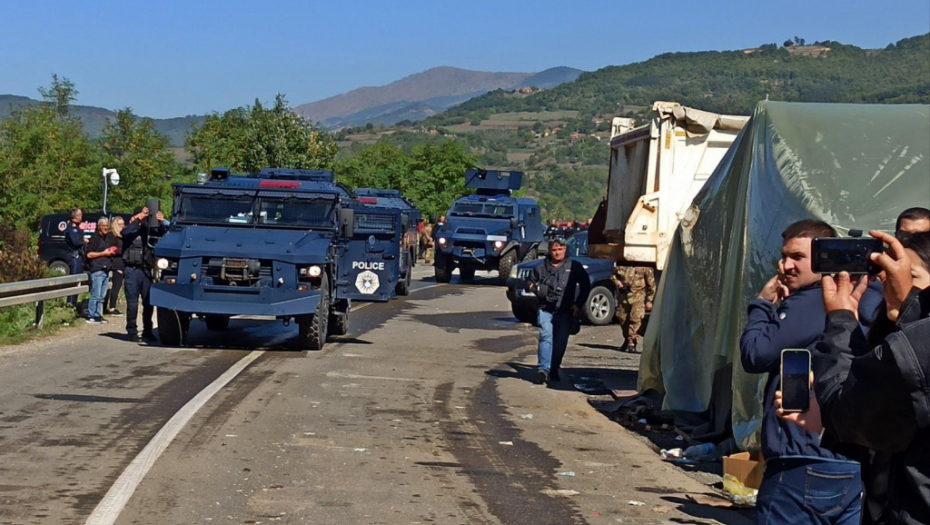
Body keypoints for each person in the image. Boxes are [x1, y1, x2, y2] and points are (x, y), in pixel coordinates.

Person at [778, 231, 930, 524]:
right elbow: (889, 433)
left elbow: (852, 416)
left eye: (910, 276)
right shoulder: (894, 340)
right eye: (886, 272)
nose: (893, 282)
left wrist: (841, 319)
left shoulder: (915, 347)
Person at [739, 219, 862, 525]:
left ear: (823, 260)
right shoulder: (853, 302)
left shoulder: (811, 302)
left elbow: (755, 354)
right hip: (848, 465)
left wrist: (762, 304)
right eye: (783, 256)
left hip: (803, 460)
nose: (785, 266)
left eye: (798, 257)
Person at [525, 236, 590, 385]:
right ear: (549, 251)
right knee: (546, 335)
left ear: (565, 249)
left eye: (560, 249)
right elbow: (529, 281)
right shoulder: (540, 267)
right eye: (554, 250)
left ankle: (554, 369)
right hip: (545, 309)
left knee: (560, 342)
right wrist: (533, 287)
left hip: (565, 311)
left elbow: (586, 286)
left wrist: (578, 305)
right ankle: (543, 369)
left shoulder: (574, 266)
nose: (557, 253)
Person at [120, 206, 168, 342]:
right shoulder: (130, 230)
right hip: (131, 270)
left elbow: (165, 238)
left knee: (148, 304)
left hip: (146, 271)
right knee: (133, 304)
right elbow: (124, 233)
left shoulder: (149, 232)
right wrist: (138, 219)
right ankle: (131, 331)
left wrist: (161, 223)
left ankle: (148, 331)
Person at [612, 266, 656, 353]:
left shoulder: (645, 268)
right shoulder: (621, 265)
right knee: (622, 318)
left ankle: (632, 342)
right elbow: (613, 276)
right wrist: (618, 283)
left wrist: (649, 300)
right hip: (623, 297)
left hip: (638, 297)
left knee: (635, 319)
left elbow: (651, 285)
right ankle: (627, 339)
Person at [84, 218, 117, 324]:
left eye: (107, 226)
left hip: (106, 269)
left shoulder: (106, 238)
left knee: (102, 296)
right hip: (97, 270)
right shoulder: (94, 239)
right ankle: (91, 315)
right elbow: (89, 254)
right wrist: (103, 253)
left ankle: (98, 314)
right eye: (103, 226)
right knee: (96, 294)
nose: (106, 228)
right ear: (99, 227)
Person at [65, 207, 86, 308]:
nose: (82, 217)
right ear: (77, 216)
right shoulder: (72, 227)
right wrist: (84, 241)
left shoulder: (76, 227)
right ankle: (70, 303)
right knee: (74, 279)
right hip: (74, 256)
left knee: (78, 280)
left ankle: (74, 301)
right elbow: (76, 242)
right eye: (81, 215)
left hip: (78, 255)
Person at [106, 216, 126, 316]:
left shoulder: (121, 235)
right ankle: (112, 308)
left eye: (123, 224)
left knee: (118, 287)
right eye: (120, 224)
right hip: (116, 264)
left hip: (122, 263)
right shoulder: (112, 235)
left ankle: (112, 306)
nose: (122, 226)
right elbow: (111, 250)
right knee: (116, 286)